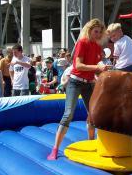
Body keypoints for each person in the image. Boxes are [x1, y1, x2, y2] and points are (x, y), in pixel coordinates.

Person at [47, 18, 110, 160]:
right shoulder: (82, 42)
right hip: (75, 82)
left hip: (89, 83)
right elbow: (78, 66)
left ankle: (91, 143)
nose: (98, 34)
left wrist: (105, 72)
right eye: (96, 31)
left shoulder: (97, 46)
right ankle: (55, 149)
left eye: (100, 32)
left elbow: (95, 70)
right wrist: (97, 68)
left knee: (93, 114)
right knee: (68, 113)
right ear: (89, 30)